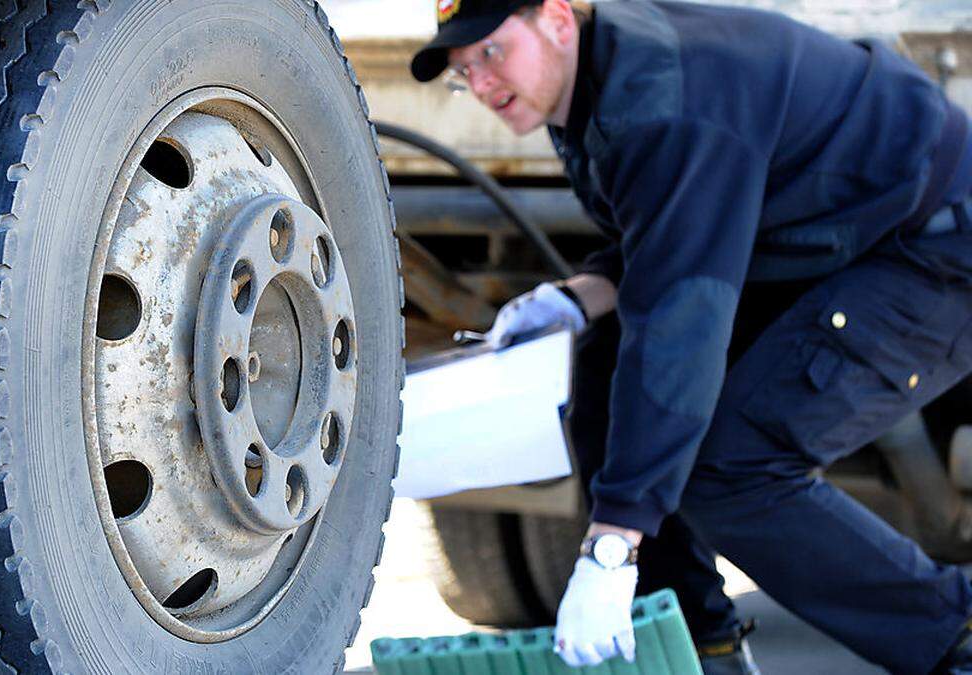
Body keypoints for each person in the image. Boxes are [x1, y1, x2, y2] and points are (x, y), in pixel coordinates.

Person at [409, 1, 972, 673]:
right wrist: (572, 299)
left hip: (931, 249)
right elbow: (679, 228)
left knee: (731, 462)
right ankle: (700, 648)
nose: (480, 83)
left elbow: (681, 327)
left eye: (492, 52)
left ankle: (951, 632)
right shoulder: (595, 84)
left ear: (557, 18)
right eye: (463, 68)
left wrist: (610, 549)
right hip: (835, 241)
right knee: (606, 371)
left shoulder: (660, 98)